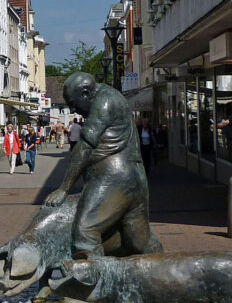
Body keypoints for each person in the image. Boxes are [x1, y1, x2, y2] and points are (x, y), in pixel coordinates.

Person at [44, 72, 162, 258]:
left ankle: (93, 282)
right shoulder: (109, 96)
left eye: (74, 104)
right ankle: (163, 272)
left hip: (113, 179)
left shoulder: (104, 101)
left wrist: (64, 188)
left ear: (85, 93)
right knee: (139, 239)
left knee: (85, 231)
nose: (74, 111)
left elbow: (84, 147)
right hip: (132, 179)